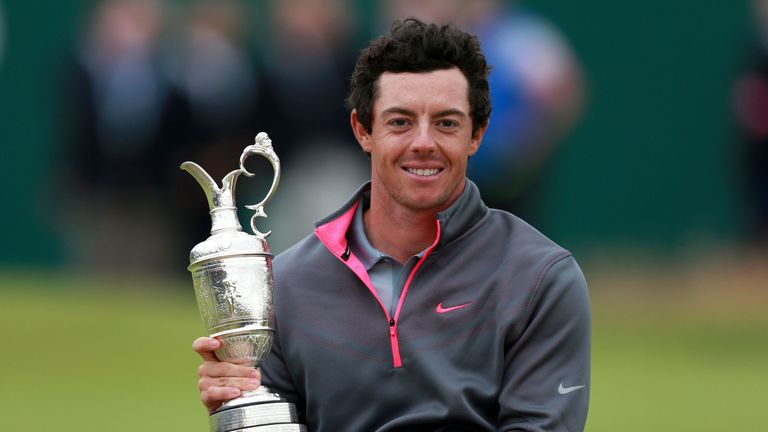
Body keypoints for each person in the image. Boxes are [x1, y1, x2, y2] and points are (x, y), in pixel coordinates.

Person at [194, 18, 590, 431]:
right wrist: (242, 407)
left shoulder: (541, 278)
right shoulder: (286, 284)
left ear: (477, 134)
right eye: (400, 122)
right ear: (363, 131)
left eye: (446, 123)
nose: (423, 143)